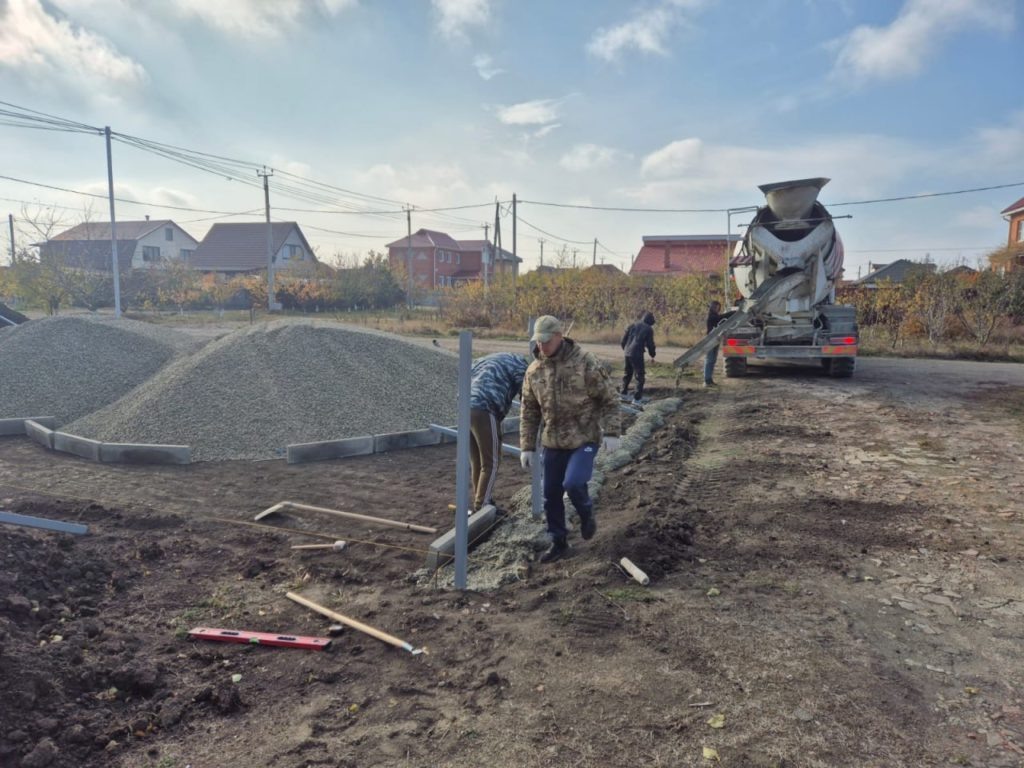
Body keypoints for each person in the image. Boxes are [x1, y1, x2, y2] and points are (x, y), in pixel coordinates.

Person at [519, 315, 621, 563]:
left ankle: (586, 514)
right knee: (550, 494)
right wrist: (527, 446)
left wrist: (612, 432)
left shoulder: (585, 362)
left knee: (574, 483)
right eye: (538, 341)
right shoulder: (534, 371)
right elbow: (529, 410)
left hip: (584, 437)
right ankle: (559, 541)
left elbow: (609, 398)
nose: (541, 346)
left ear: (558, 336)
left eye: (546, 341)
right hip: (553, 441)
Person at [468, 352, 530, 512]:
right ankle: (482, 504)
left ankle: (479, 500)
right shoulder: (522, 366)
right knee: (492, 461)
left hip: (465, 406)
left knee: (478, 460)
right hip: (485, 407)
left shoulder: (485, 360)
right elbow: (528, 399)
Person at [620, 310, 656, 403]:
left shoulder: (632, 325)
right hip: (637, 353)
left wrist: (626, 349)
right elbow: (650, 344)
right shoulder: (648, 329)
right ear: (650, 321)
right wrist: (652, 354)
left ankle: (623, 394)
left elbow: (623, 340)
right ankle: (637, 399)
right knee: (640, 376)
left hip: (627, 352)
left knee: (627, 374)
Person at [704, 300, 734, 387]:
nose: (718, 309)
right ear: (713, 307)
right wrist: (731, 313)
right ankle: (707, 380)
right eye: (717, 307)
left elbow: (721, 318)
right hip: (710, 340)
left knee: (712, 360)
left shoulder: (714, 315)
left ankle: (709, 380)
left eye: (718, 307)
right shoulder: (712, 316)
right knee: (709, 360)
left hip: (715, 339)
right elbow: (720, 318)